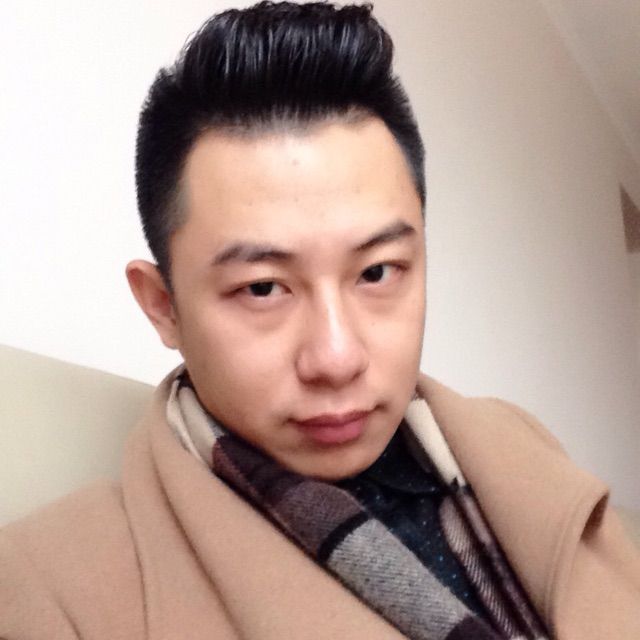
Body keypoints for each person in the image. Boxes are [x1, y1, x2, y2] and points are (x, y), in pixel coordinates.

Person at [1, 2, 639, 638]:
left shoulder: (518, 444)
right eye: (262, 288)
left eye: (376, 272)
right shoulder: (52, 590)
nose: (337, 358)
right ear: (163, 306)